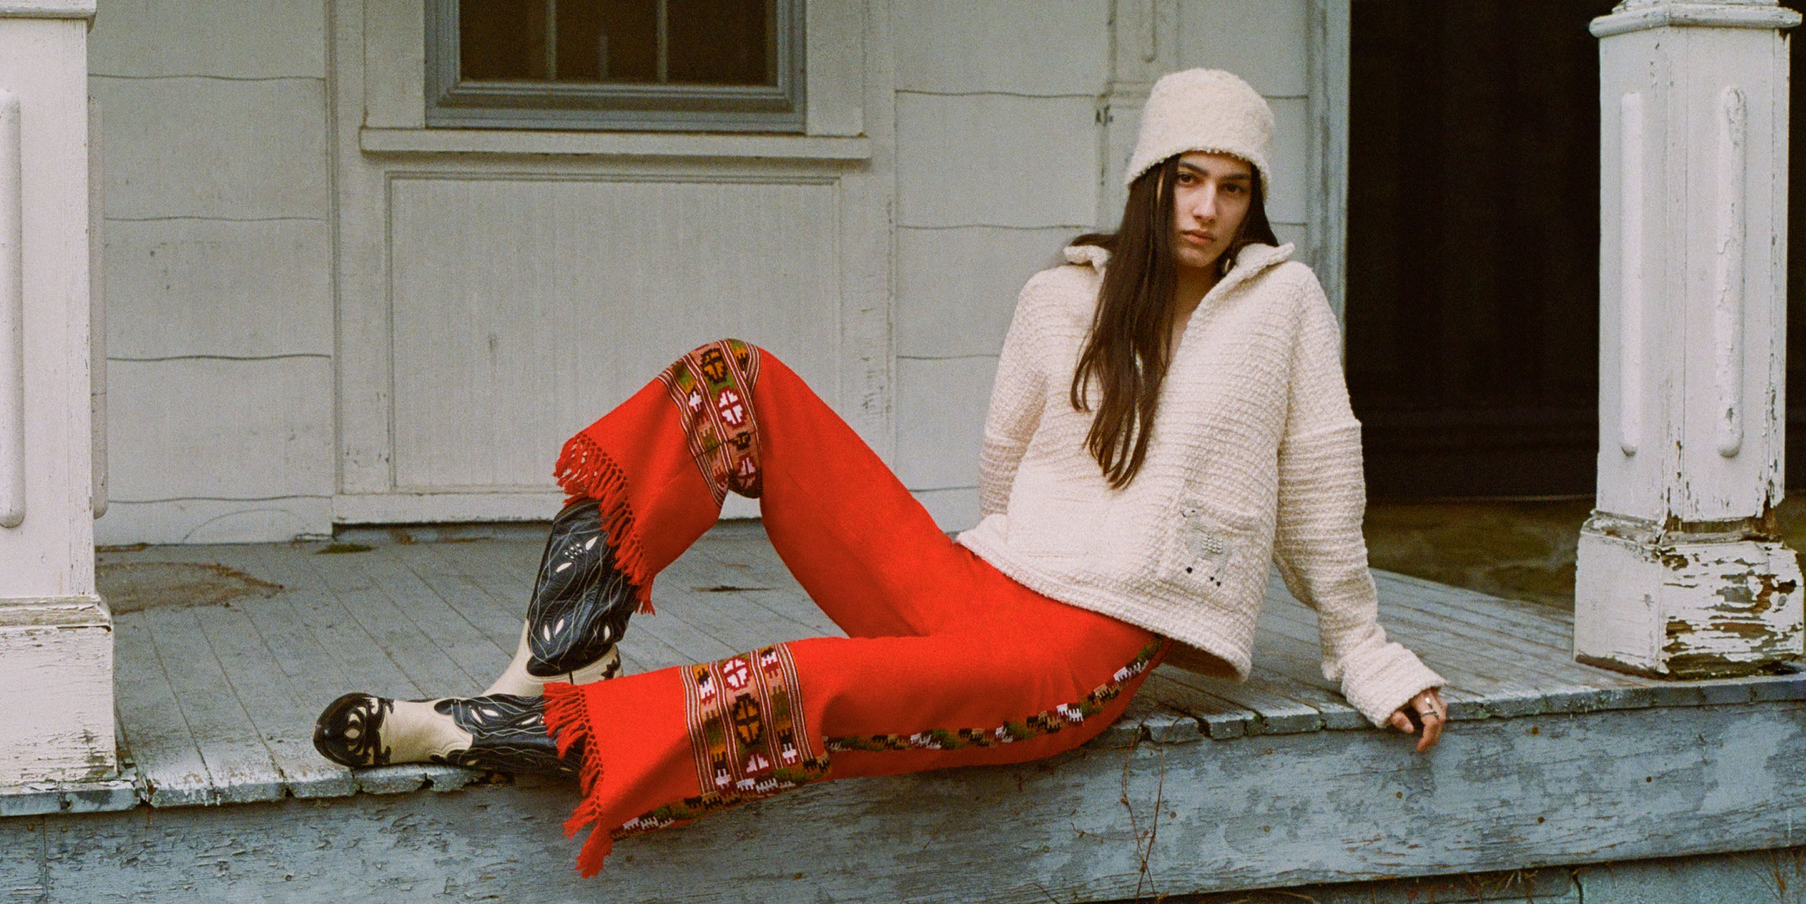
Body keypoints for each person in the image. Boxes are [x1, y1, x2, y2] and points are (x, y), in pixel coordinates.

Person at [312, 68, 1447, 877]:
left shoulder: (1283, 308)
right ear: (1149, 180)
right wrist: (965, 592)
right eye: (1187, 178)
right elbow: (1005, 466)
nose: (1207, 208)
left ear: (1256, 201)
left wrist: (1363, 652)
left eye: (1234, 186)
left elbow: (1318, 489)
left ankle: (485, 732)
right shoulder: (1063, 297)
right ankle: (548, 662)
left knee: (820, 679)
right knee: (733, 377)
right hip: (985, 581)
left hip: (1085, 643)